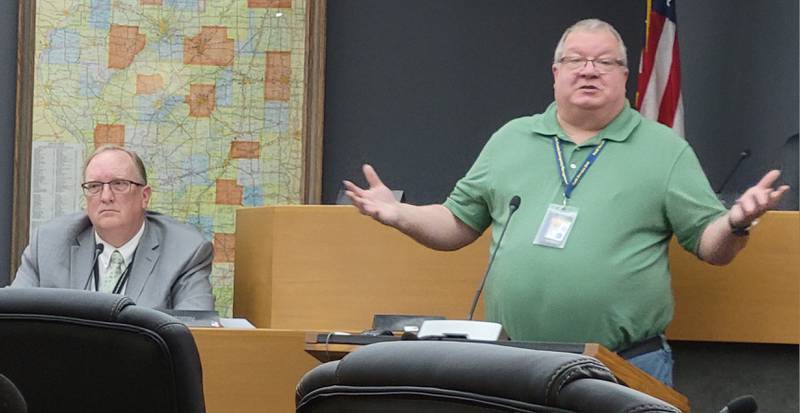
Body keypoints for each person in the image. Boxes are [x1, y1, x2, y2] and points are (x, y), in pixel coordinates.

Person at [343, 19, 789, 386]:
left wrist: (735, 224)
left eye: (604, 62)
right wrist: (400, 214)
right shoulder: (511, 139)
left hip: (625, 366)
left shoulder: (664, 150)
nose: (589, 70)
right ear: (555, 72)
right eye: (576, 60)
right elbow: (457, 223)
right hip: (516, 363)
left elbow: (709, 246)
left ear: (624, 74)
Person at [12, 145, 215, 311]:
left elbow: (194, 332)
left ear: (144, 196)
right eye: (94, 186)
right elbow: (14, 317)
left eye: (119, 184)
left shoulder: (186, 251)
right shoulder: (48, 243)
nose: (106, 196)